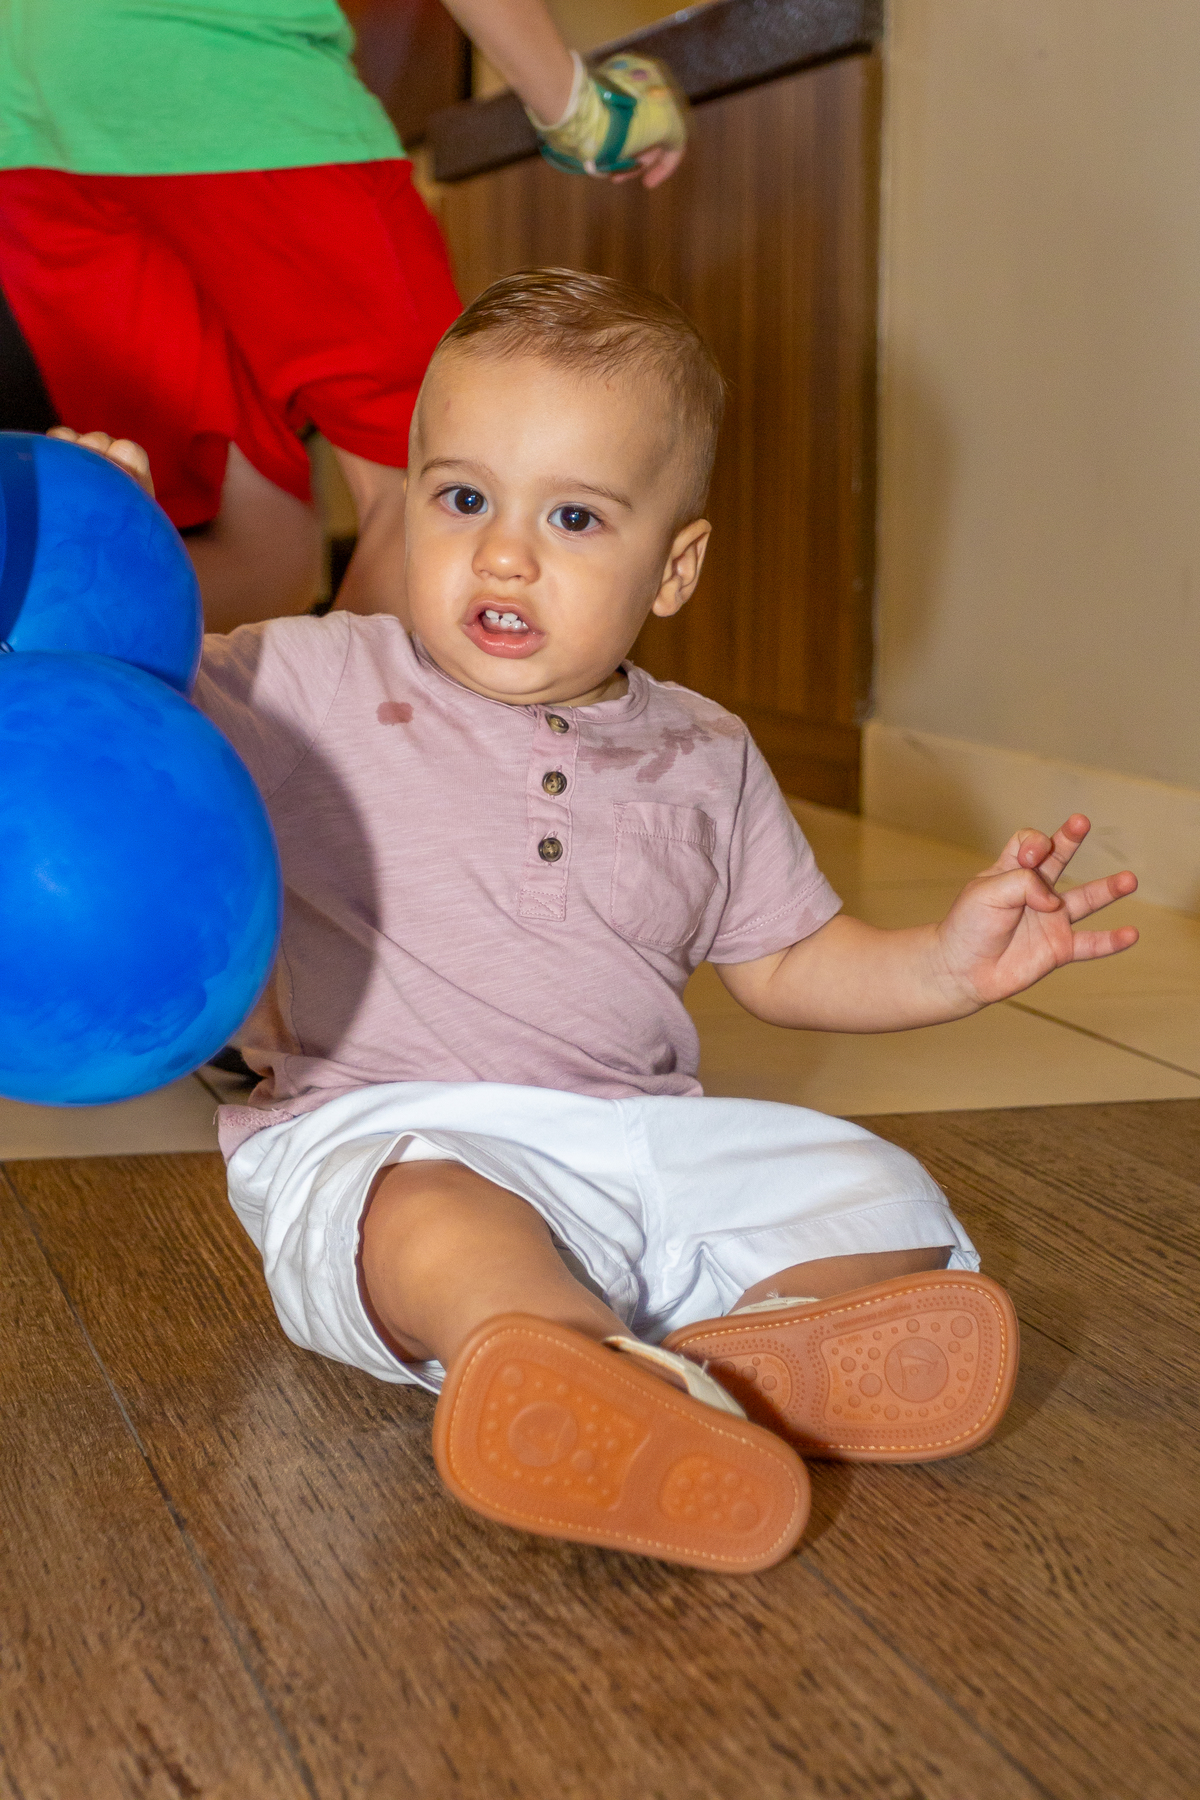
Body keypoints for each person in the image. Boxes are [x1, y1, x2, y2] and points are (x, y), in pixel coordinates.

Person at [92, 270, 1139, 1573]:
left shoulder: (707, 750)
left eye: (574, 516)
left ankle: (736, 1360)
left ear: (674, 567)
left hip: (637, 1143)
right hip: (385, 1126)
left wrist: (946, 962)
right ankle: (560, 1360)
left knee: (883, 1195)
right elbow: (127, 700)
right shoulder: (313, 678)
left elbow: (790, 960)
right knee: (431, 1223)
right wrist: (107, 542)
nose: (504, 553)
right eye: (461, 498)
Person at [0, 2, 685, 632]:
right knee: (430, 483)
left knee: (264, 546)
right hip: (232, 86)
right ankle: (343, 733)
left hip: (30, 137)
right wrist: (582, 111)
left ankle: (41, 672)